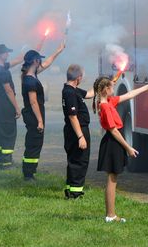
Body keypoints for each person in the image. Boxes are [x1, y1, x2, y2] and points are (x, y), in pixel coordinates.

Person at [93, 76, 148, 222]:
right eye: (112, 87)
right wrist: (128, 147)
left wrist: (146, 87)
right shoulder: (105, 106)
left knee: (113, 177)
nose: (114, 90)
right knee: (112, 178)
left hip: (113, 140)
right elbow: (114, 131)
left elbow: (128, 95)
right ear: (105, 90)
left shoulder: (107, 102)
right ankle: (110, 215)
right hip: (113, 142)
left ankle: (111, 214)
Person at [21, 43, 65, 180]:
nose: (40, 61)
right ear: (35, 61)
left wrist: (58, 50)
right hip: (34, 116)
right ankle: (28, 174)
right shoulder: (30, 81)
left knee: (35, 143)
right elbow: (33, 102)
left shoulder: (31, 74)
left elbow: (47, 63)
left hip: (34, 114)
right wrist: (40, 121)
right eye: (39, 59)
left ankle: (30, 171)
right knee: (34, 143)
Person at [62, 64, 94, 199]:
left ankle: (70, 189)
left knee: (74, 160)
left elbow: (89, 94)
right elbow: (72, 116)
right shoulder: (70, 93)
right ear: (78, 77)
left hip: (75, 130)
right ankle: (76, 193)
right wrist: (81, 136)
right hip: (77, 130)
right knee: (80, 161)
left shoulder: (73, 90)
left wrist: (103, 83)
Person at [0, 44, 23, 169]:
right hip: (5, 104)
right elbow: (8, 90)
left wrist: (25, 53)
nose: (8, 54)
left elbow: (15, 62)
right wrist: (16, 107)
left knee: (1, 130)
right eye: (6, 53)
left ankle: (0, 160)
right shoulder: (1, 71)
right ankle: (6, 163)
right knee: (8, 131)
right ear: (0, 54)